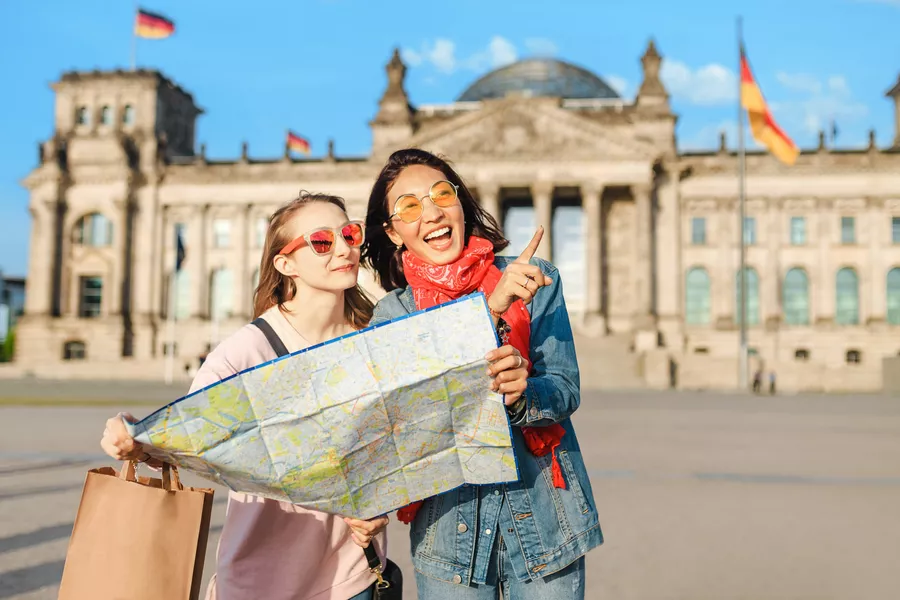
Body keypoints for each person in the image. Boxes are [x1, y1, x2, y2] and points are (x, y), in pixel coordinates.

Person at [101, 192, 390, 600]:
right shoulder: (247, 352)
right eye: (322, 241)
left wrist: (380, 505)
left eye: (349, 234)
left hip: (353, 578)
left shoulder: (376, 340)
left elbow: (396, 447)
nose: (344, 249)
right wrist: (132, 437)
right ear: (285, 264)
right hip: (261, 581)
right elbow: (183, 441)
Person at [362, 148, 603, 599]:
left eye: (441, 194)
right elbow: (408, 421)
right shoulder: (393, 316)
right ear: (393, 232)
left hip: (547, 524)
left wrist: (524, 394)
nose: (431, 212)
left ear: (461, 202)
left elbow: (565, 388)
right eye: (409, 206)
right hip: (449, 541)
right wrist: (489, 312)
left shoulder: (533, 278)